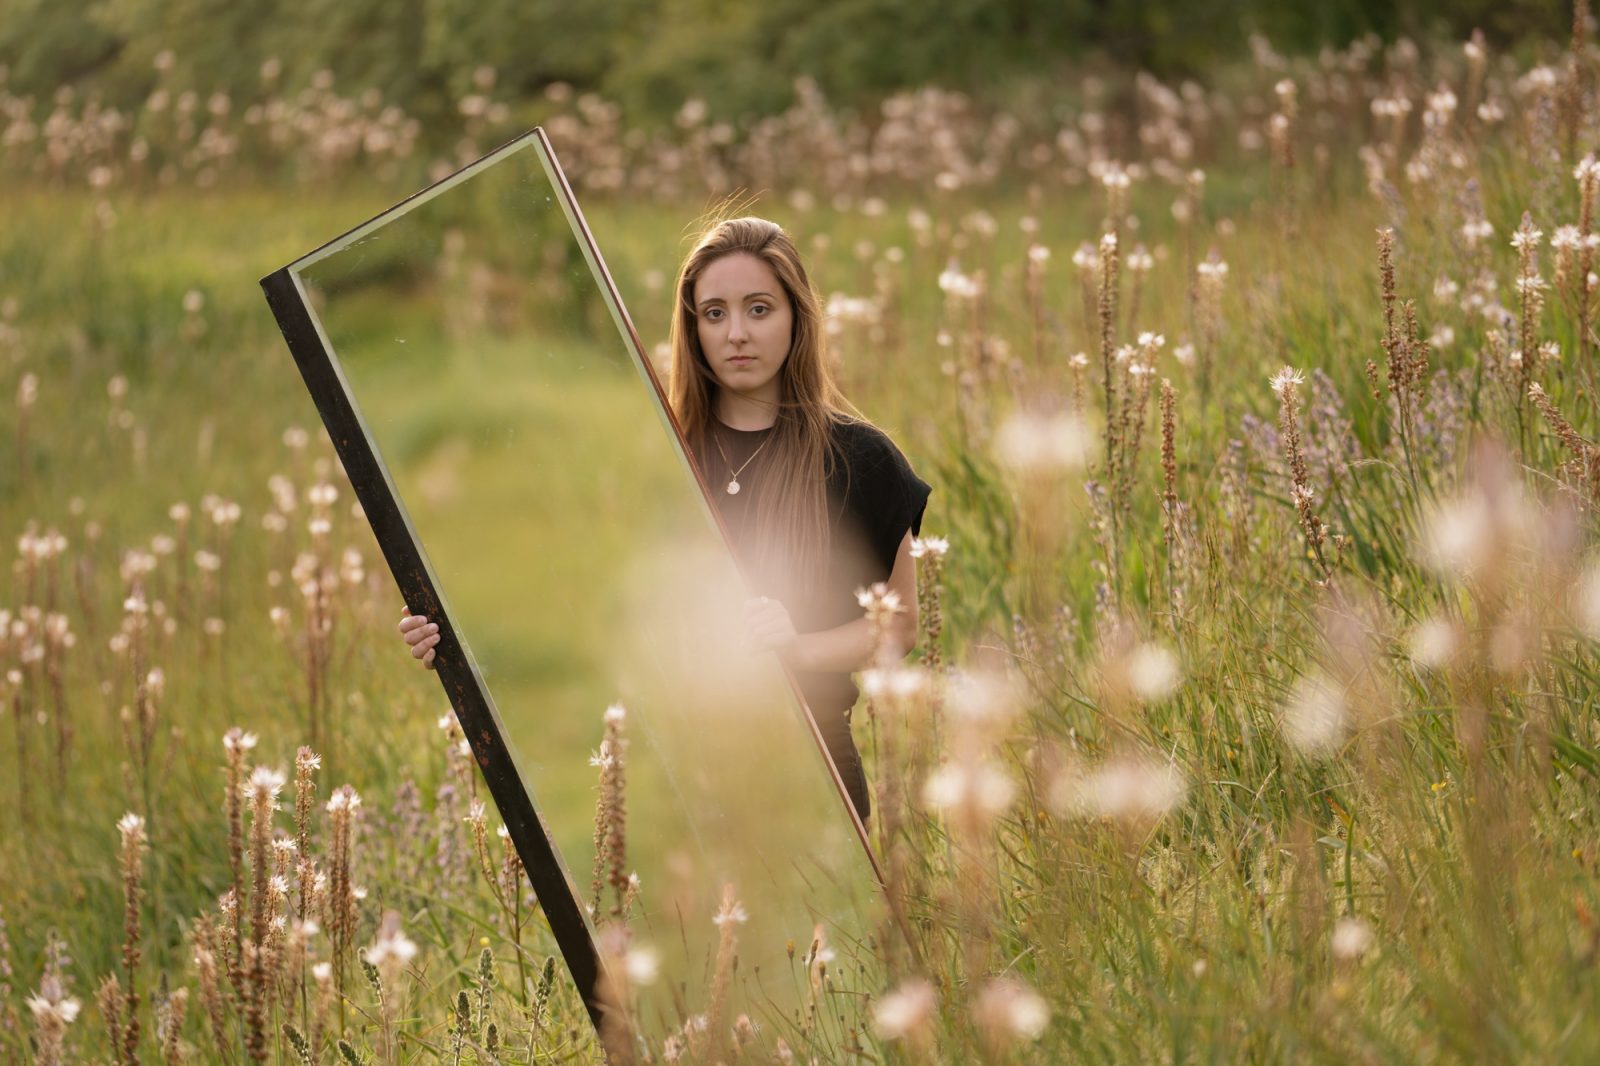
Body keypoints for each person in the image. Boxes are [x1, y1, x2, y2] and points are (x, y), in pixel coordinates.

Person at [400, 215, 931, 822]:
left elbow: (901, 627)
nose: (736, 333)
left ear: (797, 317)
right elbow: (575, 609)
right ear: (692, 327)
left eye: (759, 309)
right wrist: (448, 629)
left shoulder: (861, 458)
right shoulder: (653, 457)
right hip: (668, 779)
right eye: (714, 313)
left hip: (809, 767)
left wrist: (796, 650)